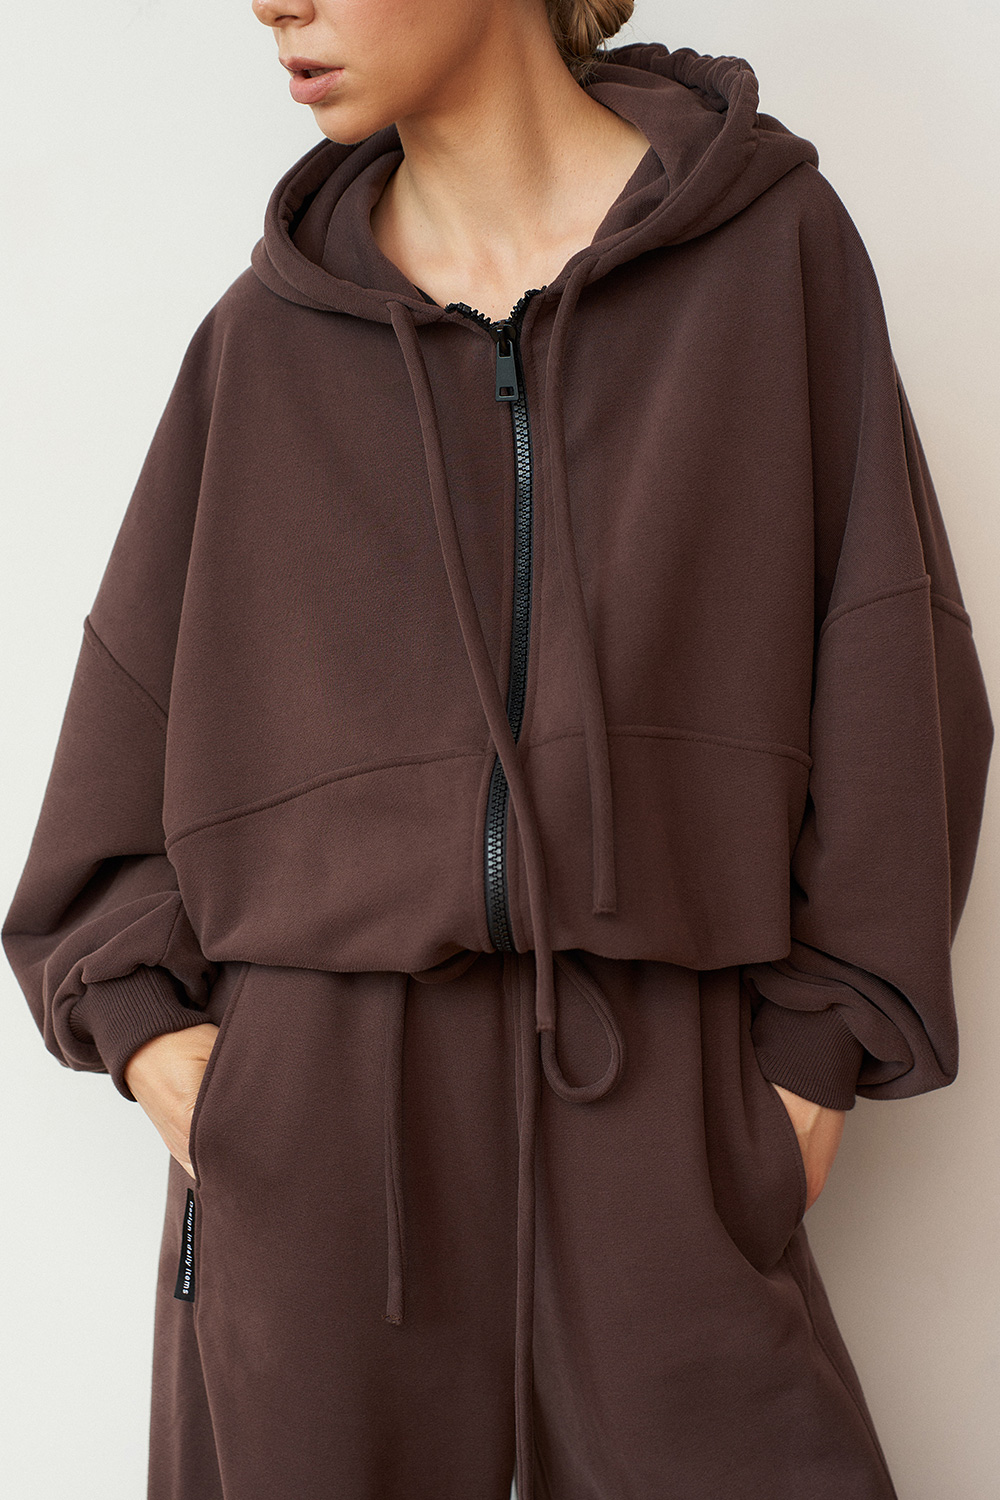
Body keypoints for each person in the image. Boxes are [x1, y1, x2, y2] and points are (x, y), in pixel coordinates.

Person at [3, 2, 993, 1497]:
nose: (272, 3)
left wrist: (810, 1061)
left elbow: (892, 663)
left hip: (656, 1096)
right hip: (323, 1138)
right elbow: (115, 756)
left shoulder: (771, 258)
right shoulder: (266, 338)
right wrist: (168, 1051)